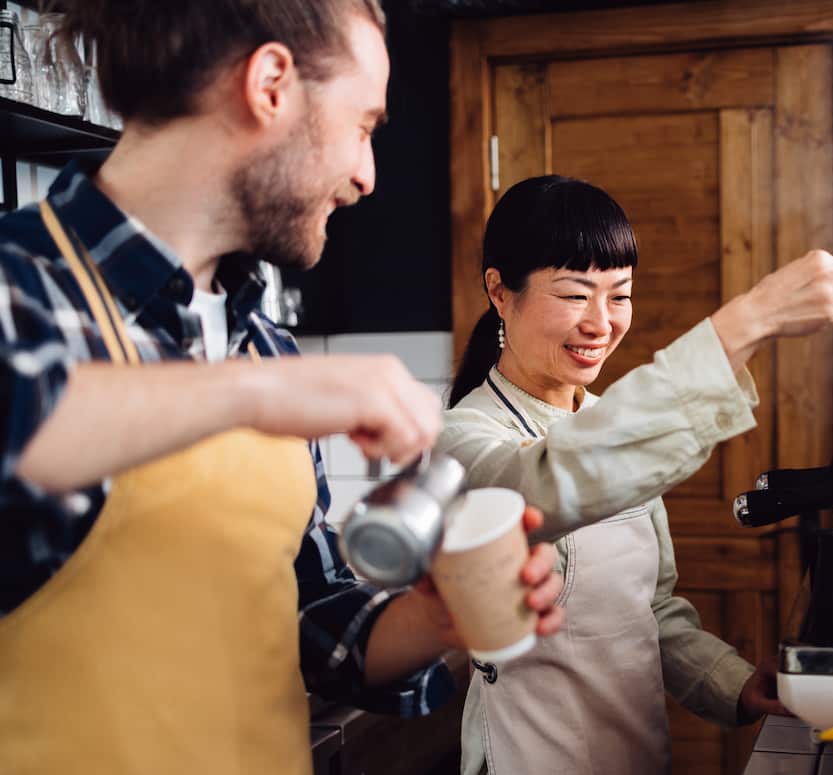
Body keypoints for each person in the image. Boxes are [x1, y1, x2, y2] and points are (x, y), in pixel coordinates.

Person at [0, 3, 563, 773]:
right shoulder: (20, 289)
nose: (368, 176)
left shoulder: (261, 342)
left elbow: (306, 624)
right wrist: (248, 392)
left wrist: (436, 618)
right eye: (364, 125)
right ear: (270, 84)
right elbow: (20, 425)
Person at [438, 175, 833, 774]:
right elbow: (546, 481)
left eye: (619, 296)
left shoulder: (605, 422)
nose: (601, 323)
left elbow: (652, 610)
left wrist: (735, 684)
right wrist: (751, 318)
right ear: (499, 292)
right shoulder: (463, 438)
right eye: (574, 295)